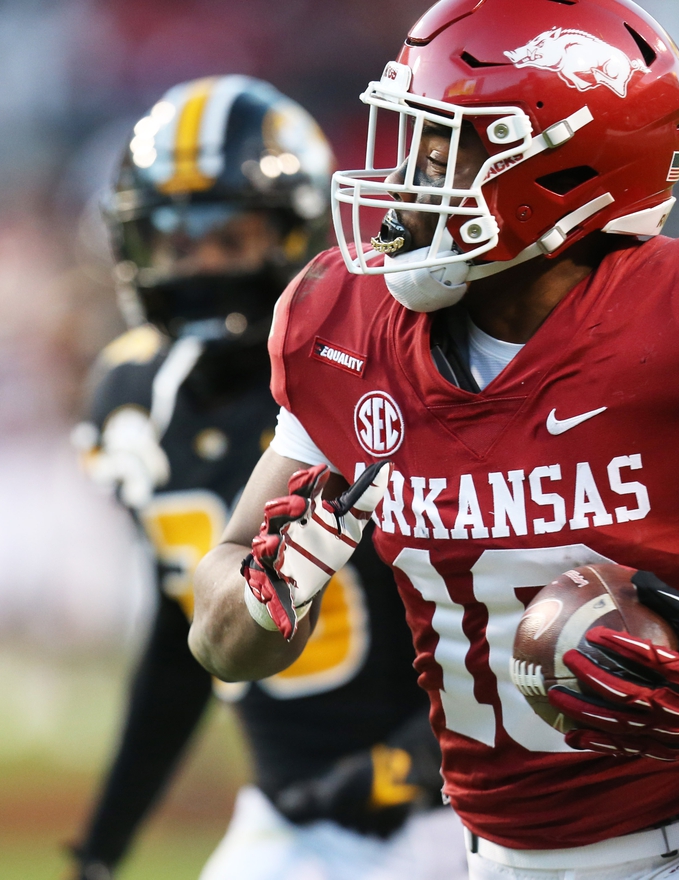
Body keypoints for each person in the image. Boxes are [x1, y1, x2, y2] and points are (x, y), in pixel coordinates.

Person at [189, 4, 679, 879]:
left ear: (565, 172)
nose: (409, 179)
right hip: (507, 859)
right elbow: (223, 637)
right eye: (413, 138)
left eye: (447, 147)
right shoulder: (346, 332)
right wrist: (267, 594)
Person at [67, 75, 465, 880]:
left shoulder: (366, 369)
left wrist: (415, 760)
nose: (199, 266)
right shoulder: (132, 400)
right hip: (288, 814)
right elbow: (186, 638)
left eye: (229, 238)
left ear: (293, 233)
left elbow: (482, 599)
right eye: (177, 242)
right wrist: (103, 845)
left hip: (457, 805)